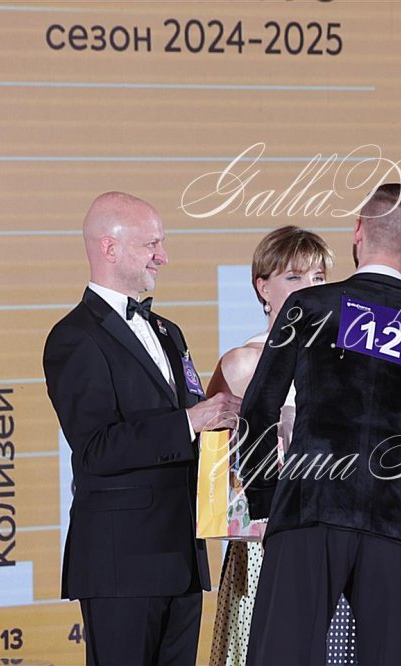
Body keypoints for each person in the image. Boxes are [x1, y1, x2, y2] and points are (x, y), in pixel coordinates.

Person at [240, 183, 401, 666]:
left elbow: (259, 408)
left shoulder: (309, 307)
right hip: (396, 523)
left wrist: (264, 500)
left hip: (307, 511)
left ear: (358, 230)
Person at [43, 192, 242, 665]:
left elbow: (192, 430)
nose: (163, 256)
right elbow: (95, 449)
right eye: (152, 244)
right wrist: (191, 420)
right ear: (109, 248)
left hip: (182, 560)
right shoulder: (74, 337)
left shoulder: (169, 332)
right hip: (122, 565)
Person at [206, 225, 356, 666]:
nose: (309, 288)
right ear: (263, 287)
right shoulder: (241, 364)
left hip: (330, 537)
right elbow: (210, 460)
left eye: (318, 278)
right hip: (262, 541)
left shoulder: (345, 362)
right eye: (294, 277)